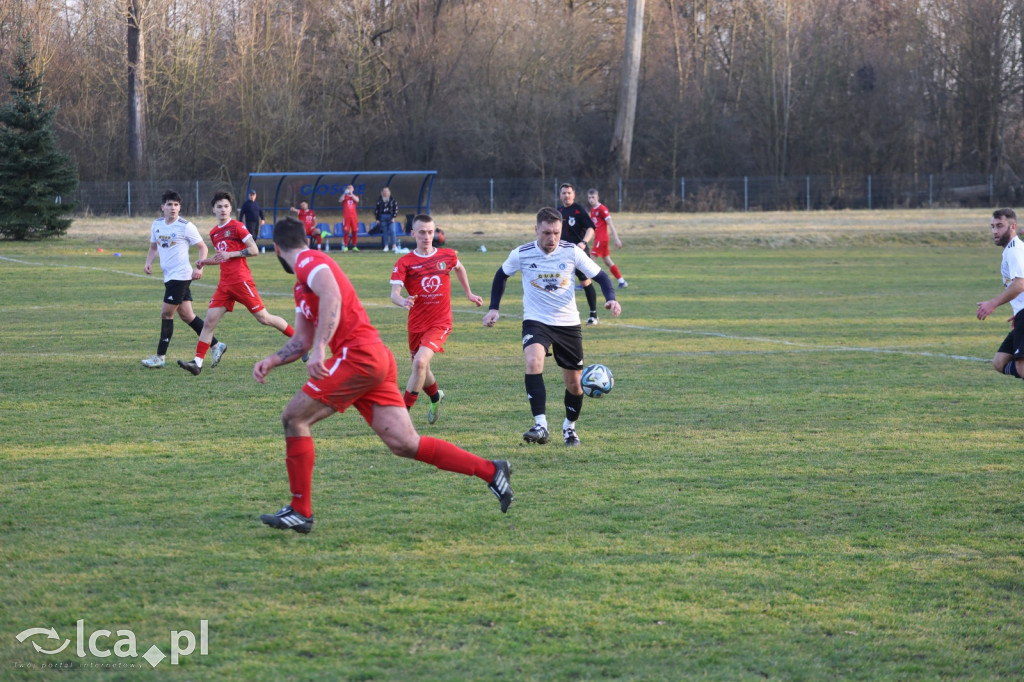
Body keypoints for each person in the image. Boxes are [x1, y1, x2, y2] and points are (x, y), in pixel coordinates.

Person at [253, 217, 513, 533]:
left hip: (358, 357)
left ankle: (300, 510)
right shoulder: (301, 283)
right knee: (405, 443)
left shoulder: (310, 260)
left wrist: (322, 349)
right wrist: (272, 360)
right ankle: (492, 471)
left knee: (294, 417)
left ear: (277, 248)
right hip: (373, 360)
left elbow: (332, 296)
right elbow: (301, 341)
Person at [482, 207, 622, 447]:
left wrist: (611, 297)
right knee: (534, 360)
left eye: (556, 233)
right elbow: (501, 275)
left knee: (575, 385)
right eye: (547, 232)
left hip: (568, 323)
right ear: (536, 230)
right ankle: (541, 425)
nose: (552, 238)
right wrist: (494, 307)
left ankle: (569, 428)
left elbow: (600, 276)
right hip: (536, 320)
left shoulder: (571, 252)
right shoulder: (522, 253)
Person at [177, 191, 296, 375]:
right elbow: (221, 258)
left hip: (241, 282)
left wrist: (232, 254)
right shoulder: (214, 233)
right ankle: (197, 363)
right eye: (219, 207)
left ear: (231, 208)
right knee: (208, 322)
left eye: (226, 206)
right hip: (224, 285)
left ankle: (299, 340)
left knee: (264, 318)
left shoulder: (238, 227)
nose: (223, 209)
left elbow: (254, 250)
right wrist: (204, 262)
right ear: (213, 210)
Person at [390, 215, 484, 423]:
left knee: (420, 362)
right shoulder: (405, 262)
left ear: (435, 233)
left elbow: (459, 267)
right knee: (421, 368)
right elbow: (394, 293)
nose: (426, 236)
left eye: (430, 232)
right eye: (422, 232)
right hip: (416, 324)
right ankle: (435, 397)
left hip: (440, 322)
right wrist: (403, 301)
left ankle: (402, 416)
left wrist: (468, 293)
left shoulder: (447, 255)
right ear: (413, 233)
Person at [141, 189, 223, 368]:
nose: (173, 208)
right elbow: (154, 247)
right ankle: (216, 344)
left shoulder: (186, 226)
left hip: (181, 276)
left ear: (180, 207)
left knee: (166, 313)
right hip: (169, 276)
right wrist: (149, 262)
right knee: (187, 315)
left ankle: (160, 357)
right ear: (162, 207)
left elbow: (203, 248)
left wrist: (199, 267)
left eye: (176, 205)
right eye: (169, 204)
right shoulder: (157, 224)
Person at [977, 208, 1024, 379]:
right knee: (1000, 361)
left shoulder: (1015, 251)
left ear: (1012, 227)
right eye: (992, 226)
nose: (995, 231)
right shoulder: (1012, 250)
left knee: (1021, 367)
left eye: (1000, 226)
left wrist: (993, 303)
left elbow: (1020, 284)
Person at [557, 183, 602, 325]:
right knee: (560, 282)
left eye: (569, 193)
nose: (566, 195)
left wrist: (584, 242)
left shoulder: (578, 210)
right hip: (563, 254)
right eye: (564, 193)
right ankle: (562, 315)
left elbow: (590, 228)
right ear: (560, 195)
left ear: (574, 194)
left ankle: (593, 314)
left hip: (579, 253)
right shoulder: (558, 211)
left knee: (585, 282)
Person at [586, 188, 628, 288]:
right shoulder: (592, 210)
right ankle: (622, 281)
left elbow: (611, 225)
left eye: (593, 197)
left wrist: (617, 239)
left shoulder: (602, 209)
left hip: (602, 239)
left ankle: (584, 284)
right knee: (607, 261)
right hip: (598, 239)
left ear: (597, 197)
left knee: (590, 261)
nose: (591, 199)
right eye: (589, 198)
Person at [375, 186, 401, 252]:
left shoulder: (392, 200)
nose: (385, 192)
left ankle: (394, 246)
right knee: (385, 232)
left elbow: (396, 209)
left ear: (389, 192)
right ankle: (386, 246)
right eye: (384, 191)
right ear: (382, 192)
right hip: (383, 217)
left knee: (392, 231)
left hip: (390, 217)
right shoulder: (379, 201)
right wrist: (377, 219)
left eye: (386, 191)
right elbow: (377, 210)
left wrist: (393, 217)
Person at [338, 184, 360, 252]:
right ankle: (346, 246)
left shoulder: (355, 196)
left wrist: (351, 194)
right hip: (346, 217)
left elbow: (357, 200)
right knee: (346, 231)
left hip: (353, 217)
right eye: (348, 188)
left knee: (354, 231)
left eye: (351, 188)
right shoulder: (345, 196)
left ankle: (354, 246)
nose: (349, 189)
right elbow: (340, 200)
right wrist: (344, 193)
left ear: (353, 189)